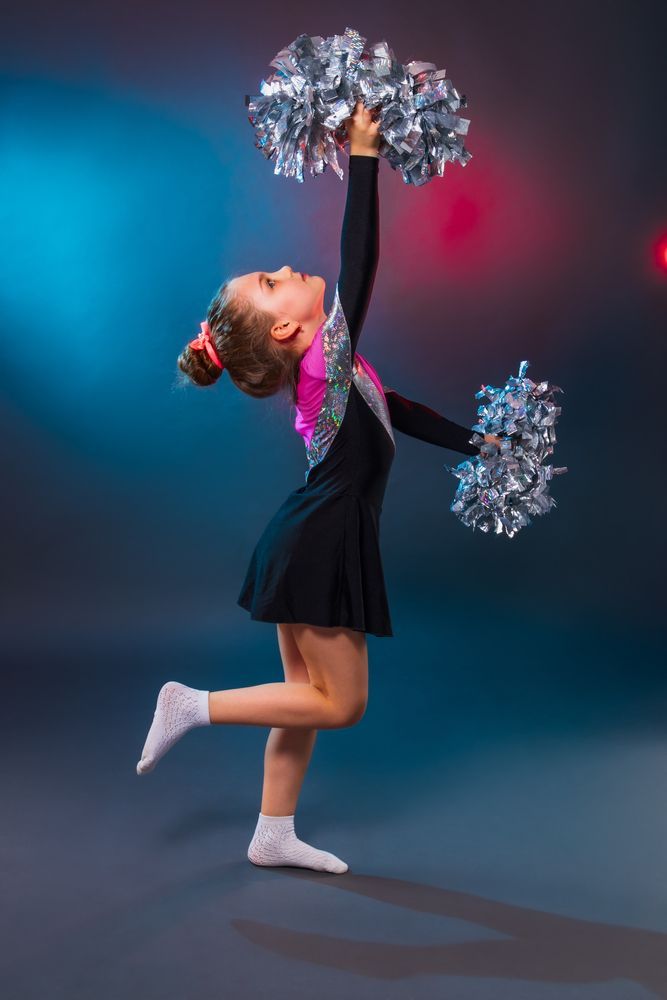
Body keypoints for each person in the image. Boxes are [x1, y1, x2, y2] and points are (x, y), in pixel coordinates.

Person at [136, 101, 501, 874]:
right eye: (272, 282)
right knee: (339, 702)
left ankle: (272, 832)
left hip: (307, 535)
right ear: (285, 332)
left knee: (302, 695)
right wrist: (363, 158)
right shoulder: (324, 361)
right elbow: (359, 269)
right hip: (321, 536)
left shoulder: (329, 376)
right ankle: (190, 704)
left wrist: (477, 441)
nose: (289, 271)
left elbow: (392, 409)